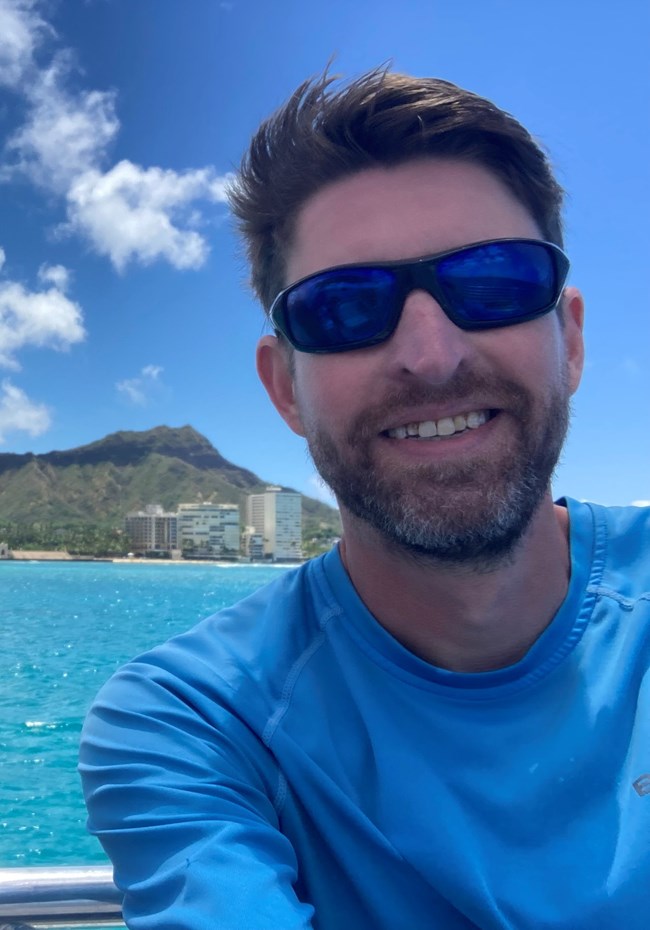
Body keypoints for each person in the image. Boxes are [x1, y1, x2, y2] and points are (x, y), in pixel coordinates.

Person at [79, 67, 650, 929]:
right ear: (284, 388)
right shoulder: (191, 724)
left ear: (568, 339)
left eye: (494, 282)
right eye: (345, 308)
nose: (431, 354)